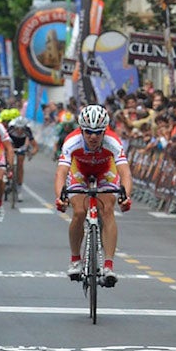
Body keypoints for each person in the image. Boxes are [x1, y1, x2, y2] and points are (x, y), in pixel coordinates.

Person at [54, 104, 133, 286]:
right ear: (81, 129)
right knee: (79, 212)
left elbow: (125, 173)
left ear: (105, 130)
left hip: (105, 172)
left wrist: (126, 196)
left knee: (107, 210)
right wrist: (60, 196)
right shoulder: (72, 141)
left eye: (98, 132)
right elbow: (61, 173)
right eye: (88, 132)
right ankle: (75, 259)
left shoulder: (113, 142)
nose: (93, 136)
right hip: (79, 172)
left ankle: (108, 265)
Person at [7, 116, 39, 200]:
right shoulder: (10, 128)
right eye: (18, 128)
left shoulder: (27, 131)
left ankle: (19, 188)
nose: (19, 131)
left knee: (20, 164)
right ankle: (7, 176)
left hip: (21, 144)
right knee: (8, 159)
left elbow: (35, 146)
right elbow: (3, 141)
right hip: (11, 142)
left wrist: (31, 153)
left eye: (22, 129)